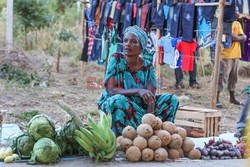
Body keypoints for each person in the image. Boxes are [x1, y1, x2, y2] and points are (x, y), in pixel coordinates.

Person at [98, 25, 179, 135]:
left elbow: (150, 98)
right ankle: (121, 138)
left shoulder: (147, 66)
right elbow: (111, 91)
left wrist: (149, 121)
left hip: (139, 108)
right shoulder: (116, 59)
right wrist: (138, 90)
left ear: (141, 47)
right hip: (116, 105)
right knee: (119, 100)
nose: (127, 44)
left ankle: (162, 134)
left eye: (133, 42)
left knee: (172, 99)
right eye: (126, 41)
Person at [217, 8, 247, 108]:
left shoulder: (237, 24)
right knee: (222, 77)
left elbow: (244, 37)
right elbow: (223, 37)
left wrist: (234, 37)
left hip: (236, 55)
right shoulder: (223, 23)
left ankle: (232, 98)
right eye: (236, 10)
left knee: (233, 78)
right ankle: (216, 99)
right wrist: (237, 38)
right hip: (225, 56)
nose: (238, 13)